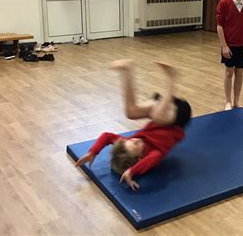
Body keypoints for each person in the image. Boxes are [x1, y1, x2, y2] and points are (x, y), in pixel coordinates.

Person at [75, 60, 192, 190]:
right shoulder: (155, 153)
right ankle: (172, 78)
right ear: (140, 157)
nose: (135, 139)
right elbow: (151, 159)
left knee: (130, 112)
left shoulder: (128, 143)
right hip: (179, 116)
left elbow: (107, 136)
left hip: (162, 110)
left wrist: (92, 152)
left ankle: (127, 70)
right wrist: (132, 171)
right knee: (158, 116)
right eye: (136, 144)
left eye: (132, 140)